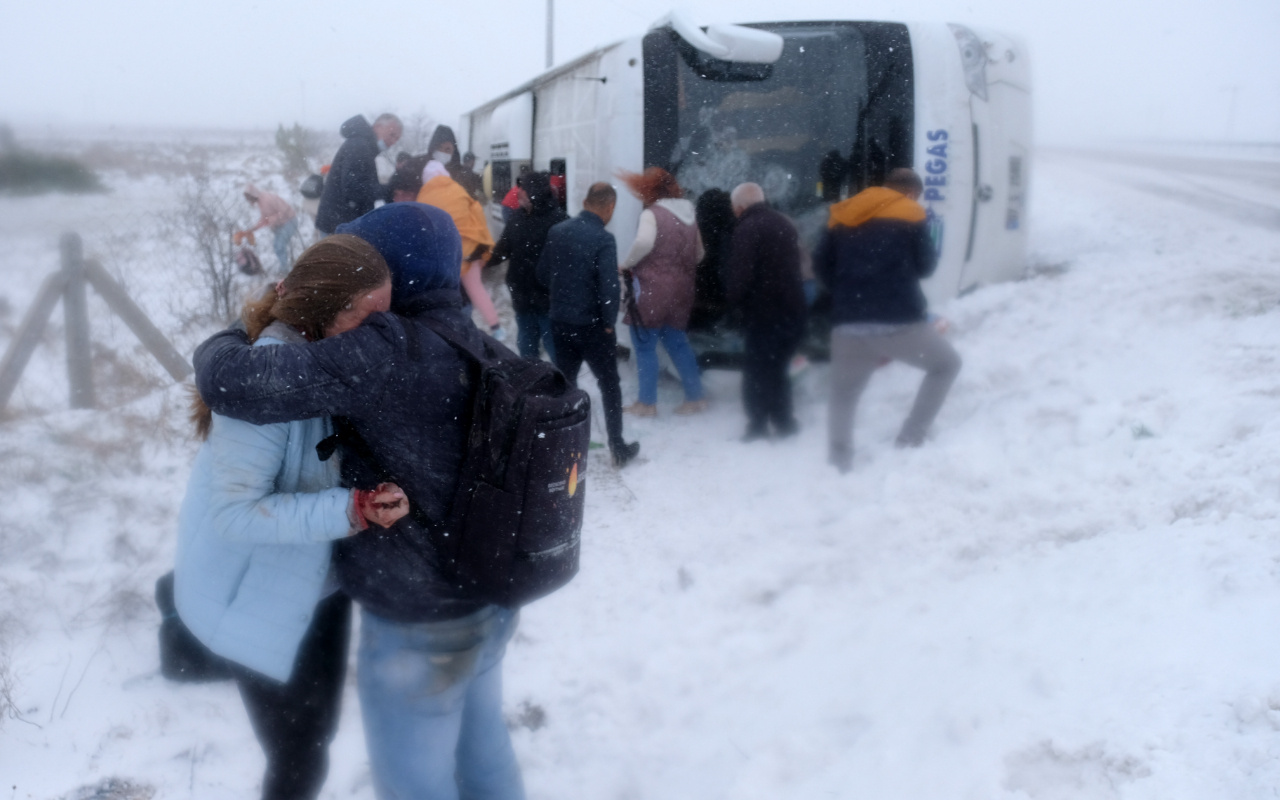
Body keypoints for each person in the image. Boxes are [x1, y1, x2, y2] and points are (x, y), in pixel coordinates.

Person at [194, 203, 527, 800]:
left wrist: (226, 336)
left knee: (414, 784)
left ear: (388, 276)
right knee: (485, 754)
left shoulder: (385, 349)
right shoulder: (478, 343)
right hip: (492, 597)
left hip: (421, 622)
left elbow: (238, 381)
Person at [175, 235, 408, 800]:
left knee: (313, 742)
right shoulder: (268, 384)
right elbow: (235, 513)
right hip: (257, 600)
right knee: (298, 755)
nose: (383, 333)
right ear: (327, 312)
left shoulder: (317, 363)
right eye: (372, 318)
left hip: (311, 586)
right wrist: (350, 509)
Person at [815, 167, 962, 473]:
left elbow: (822, 265)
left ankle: (838, 462)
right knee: (946, 365)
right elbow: (925, 266)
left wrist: (850, 290)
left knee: (844, 393)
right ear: (910, 193)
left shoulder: (843, 212)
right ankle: (911, 438)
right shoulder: (910, 212)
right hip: (898, 320)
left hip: (849, 322)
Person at [536, 182, 640, 468]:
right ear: (610, 207)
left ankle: (555, 449)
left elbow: (542, 274)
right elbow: (609, 287)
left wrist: (564, 292)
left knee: (565, 386)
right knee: (609, 384)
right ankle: (617, 447)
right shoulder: (603, 239)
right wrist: (608, 323)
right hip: (593, 326)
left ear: (585, 201)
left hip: (561, 322)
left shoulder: (557, 232)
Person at [617, 167, 707, 417]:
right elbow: (700, 254)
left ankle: (646, 404)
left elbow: (644, 242)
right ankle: (696, 398)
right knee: (678, 343)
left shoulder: (652, 214)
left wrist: (627, 263)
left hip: (653, 289)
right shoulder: (690, 214)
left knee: (644, 345)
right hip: (683, 289)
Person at [725, 182, 807, 441]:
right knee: (780, 368)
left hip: (763, 310)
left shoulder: (747, 228)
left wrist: (732, 302)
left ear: (740, 207)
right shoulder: (784, 223)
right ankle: (784, 421)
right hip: (791, 307)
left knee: (757, 370)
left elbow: (741, 275)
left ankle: (758, 424)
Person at [417, 160, 504, 339]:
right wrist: (480, 244)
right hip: (470, 248)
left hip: (446, 254)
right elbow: (476, 212)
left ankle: (455, 332)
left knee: (450, 294)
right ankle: (495, 327)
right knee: (476, 288)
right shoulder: (457, 189)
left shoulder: (424, 196)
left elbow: (422, 228)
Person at [489, 171, 567, 360]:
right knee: (526, 349)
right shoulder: (517, 218)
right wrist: (481, 260)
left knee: (557, 354)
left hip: (548, 302)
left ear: (534, 192)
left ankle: (564, 387)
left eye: (522, 188)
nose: (518, 192)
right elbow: (503, 249)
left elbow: (568, 264)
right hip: (523, 298)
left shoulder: (559, 221)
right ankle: (532, 386)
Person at [315, 114, 402, 235]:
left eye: (396, 139)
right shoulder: (359, 146)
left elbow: (360, 185)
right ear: (377, 127)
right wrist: (388, 190)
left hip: (338, 223)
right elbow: (354, 190)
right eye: (392, 135)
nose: (393, 142)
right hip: (337, 227)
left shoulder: (364, 146)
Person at [239, 185, 300, 273]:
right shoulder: (260, 202)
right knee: (277, 246)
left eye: (249, 198)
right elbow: (264, 218)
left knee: (279, 246)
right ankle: (285, 267)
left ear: (253, 195)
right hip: (280, 224)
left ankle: (286, 270)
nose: (248, 200)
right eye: (247, 198)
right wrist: (254, 228)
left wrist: (270, 220)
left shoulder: (268, 198)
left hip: (290, 221)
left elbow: (284, 210)